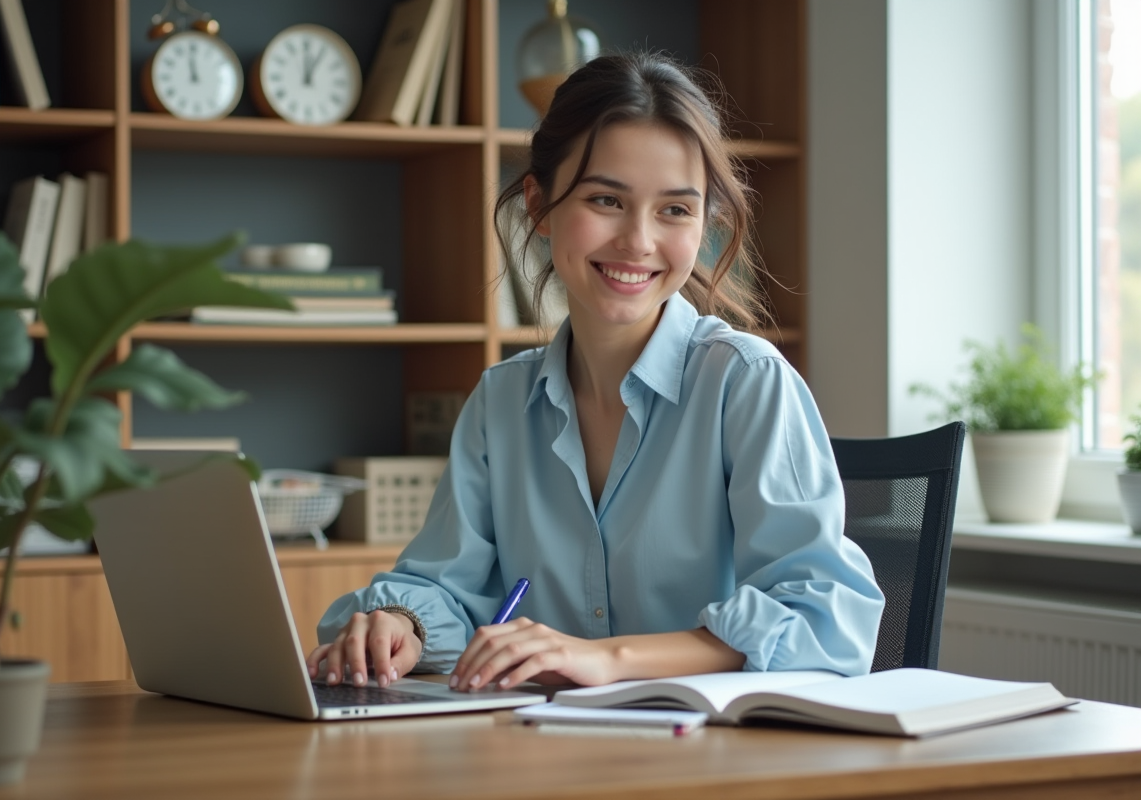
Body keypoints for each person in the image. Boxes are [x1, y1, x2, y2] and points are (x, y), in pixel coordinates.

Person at [308, 52, 884, 693]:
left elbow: (825, 617)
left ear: (705, 223)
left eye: (675, 210)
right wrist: (397, 624)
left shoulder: (746, 383)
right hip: (543, 754)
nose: (638, 241)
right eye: (606, 199)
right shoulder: (502, 402)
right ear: (539, 205)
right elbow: (443, 586)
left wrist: (606, 658)